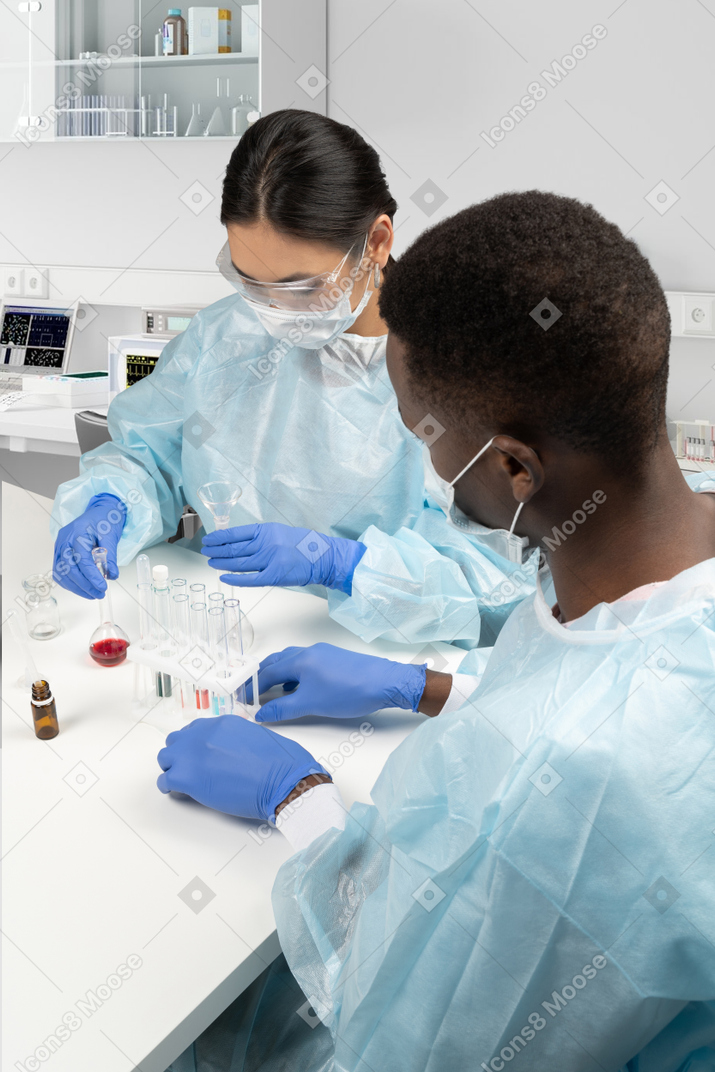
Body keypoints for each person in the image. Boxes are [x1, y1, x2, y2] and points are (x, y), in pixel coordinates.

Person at [157, 191, 715, 1071]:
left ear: (512, 465)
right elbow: (610, 688)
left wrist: (300, 798)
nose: (423, 461)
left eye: (425, 433)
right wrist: (425, 687)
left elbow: (398, 1029)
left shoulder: (565, 783)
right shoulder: (675, 568)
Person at [50, 109, 539, 653]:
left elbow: (507, 593)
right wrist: (111, 503)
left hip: (389, 658)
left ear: (376, 242)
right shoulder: (226, 335)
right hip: (227, 629)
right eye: (250, 282)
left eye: (300, 287)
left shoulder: (457, 369)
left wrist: (347, 567)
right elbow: (150, 453)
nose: (272, 311)